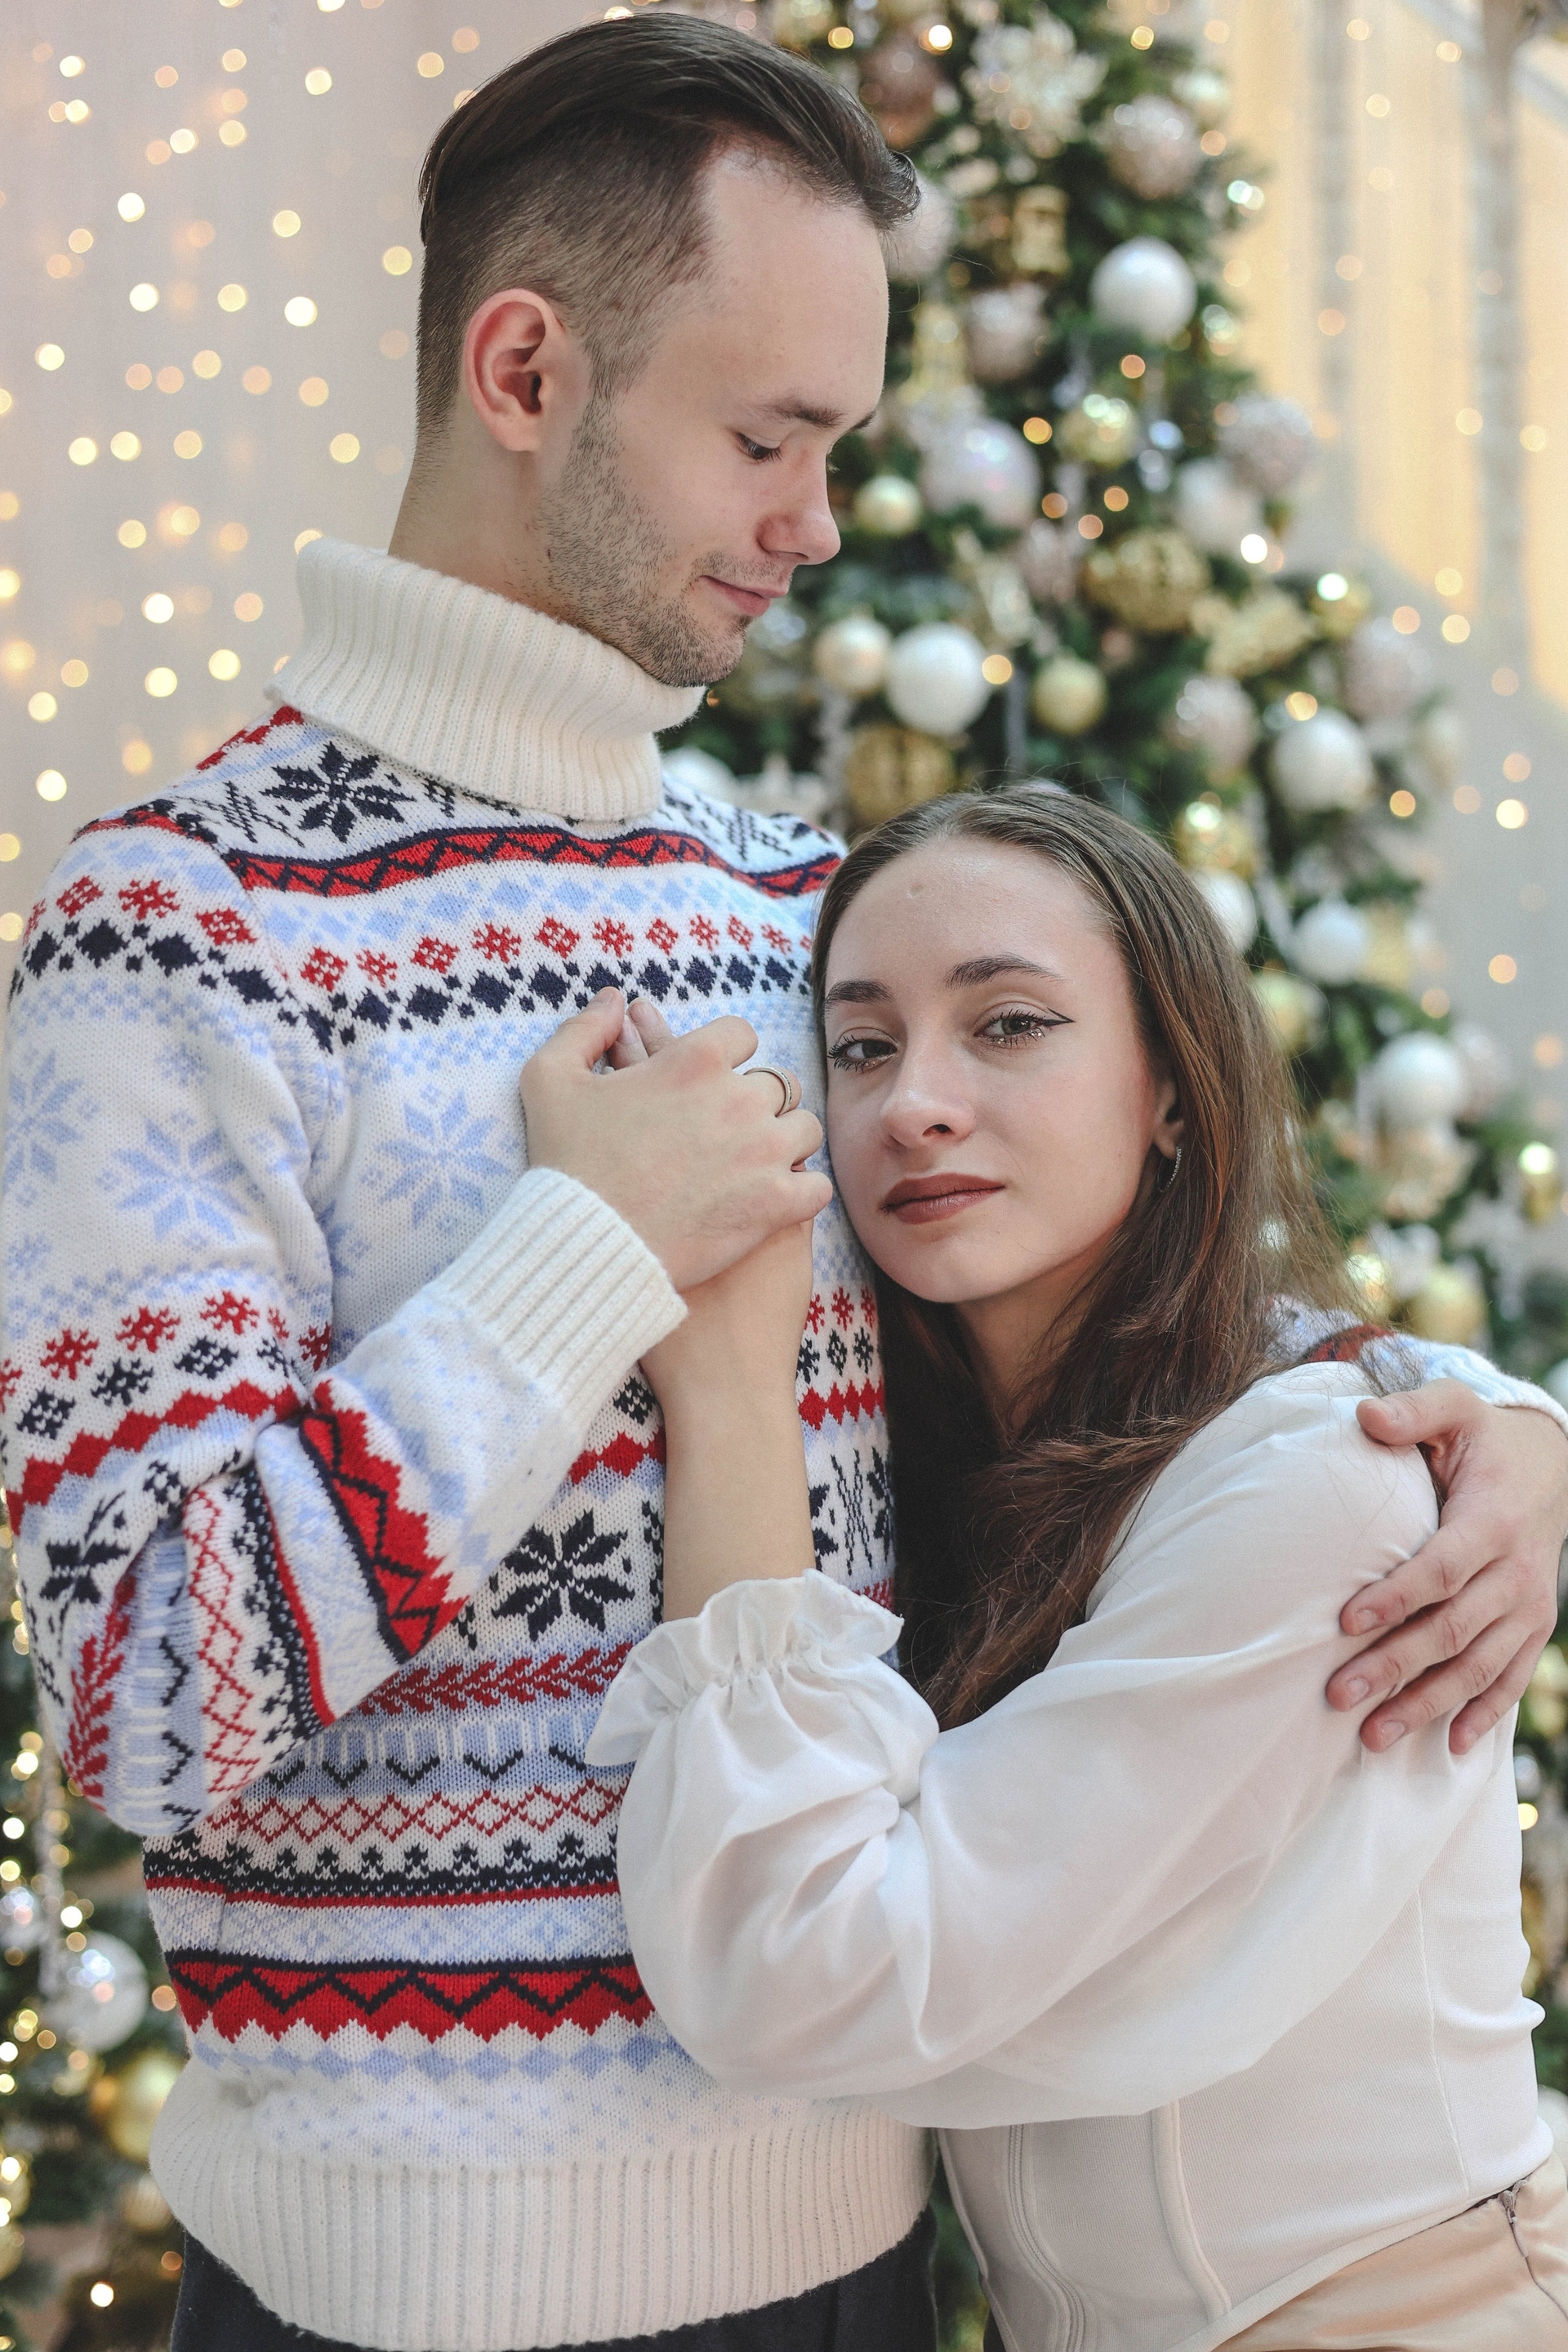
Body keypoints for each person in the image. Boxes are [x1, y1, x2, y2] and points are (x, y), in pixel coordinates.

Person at [1, 16, 1564, 2350]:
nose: (819, 524)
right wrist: (575, 1264)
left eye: (840, 448)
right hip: (401, 2294)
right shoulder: (175, 936)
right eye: (766, 438)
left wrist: (1471, 1419)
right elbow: (144, 1714)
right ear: (524, 371)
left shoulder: (803, 914)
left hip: (861, 2253)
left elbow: (1079, 1343)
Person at [587, 786, 1568, 2352]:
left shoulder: (1322, 1478)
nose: (915, 1104)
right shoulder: (938, 1449)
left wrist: (724, 1392)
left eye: (1011, 1025)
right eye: (861, 1046)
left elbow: (806, 1973)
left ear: (1171, 1089)